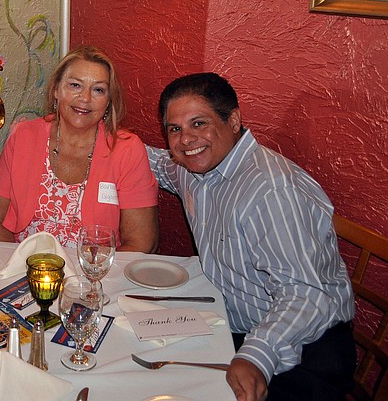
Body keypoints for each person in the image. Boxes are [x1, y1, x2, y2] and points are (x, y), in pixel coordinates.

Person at [147, 72, 355, 401]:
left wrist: (256, 354)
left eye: (198, 123)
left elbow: (306, 294)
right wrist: (94, 134)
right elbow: (155, 163)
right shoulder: (194, 167)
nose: (186, 139)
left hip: (303, 347)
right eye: (175, 129)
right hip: (235, 326)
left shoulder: (270, 189)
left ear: (233, 120)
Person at [0, 45, 159, 251]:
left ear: (109, 100)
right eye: (75, 85)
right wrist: (17, 266)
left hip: (94, 271)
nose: (85, 98)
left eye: (98, 89)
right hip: (27, 266)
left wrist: (90, 275)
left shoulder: (127, 149)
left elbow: (141, 242)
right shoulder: (23, 136)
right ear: (56, 90)